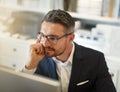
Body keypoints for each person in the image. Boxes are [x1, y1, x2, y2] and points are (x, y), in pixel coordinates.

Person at [25, 9, 116, 92]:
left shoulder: (95, 59)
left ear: (71, 38)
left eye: (52, 38)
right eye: (42, 35)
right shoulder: (37, 58)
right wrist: (29, 67)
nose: (45, 43)